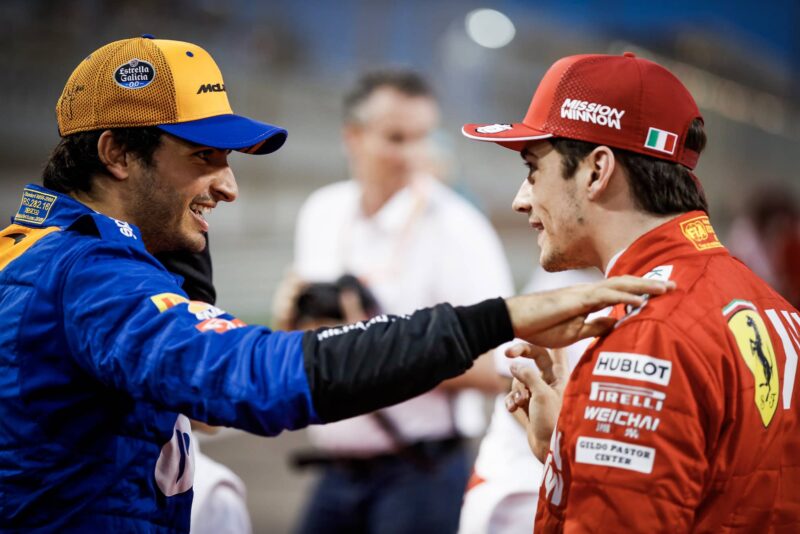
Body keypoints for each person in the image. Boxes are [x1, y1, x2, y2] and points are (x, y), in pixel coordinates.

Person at [0, 37, 671, 531]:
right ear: (117, 152)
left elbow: (196, 407)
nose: (228, 185)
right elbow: (255, 378)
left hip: (417, 470)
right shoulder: (87, 276)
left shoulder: (51, 251)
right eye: (203, 156)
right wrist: (499, 317)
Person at [464, 52, 800, 531]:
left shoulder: (650, 328)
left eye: (533, 167)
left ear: (597, 171)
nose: (522, 198)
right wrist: (568, 444)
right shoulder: (777, 309)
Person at [290, 69, 512, 534]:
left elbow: (499, 362)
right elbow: (301, 337)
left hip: (419, 472)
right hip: (336, 466)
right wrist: (293, 313)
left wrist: (381, 343)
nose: (413, 155)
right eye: (396, 137)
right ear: (353, 136)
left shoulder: (458, 227)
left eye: (422, 137)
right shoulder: (322, 211)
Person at [458, 267, 601, 534]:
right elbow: (512, 378)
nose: (535, 222)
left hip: (578, 493)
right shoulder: (561, 279)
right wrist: (559, 441)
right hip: (518, 492)